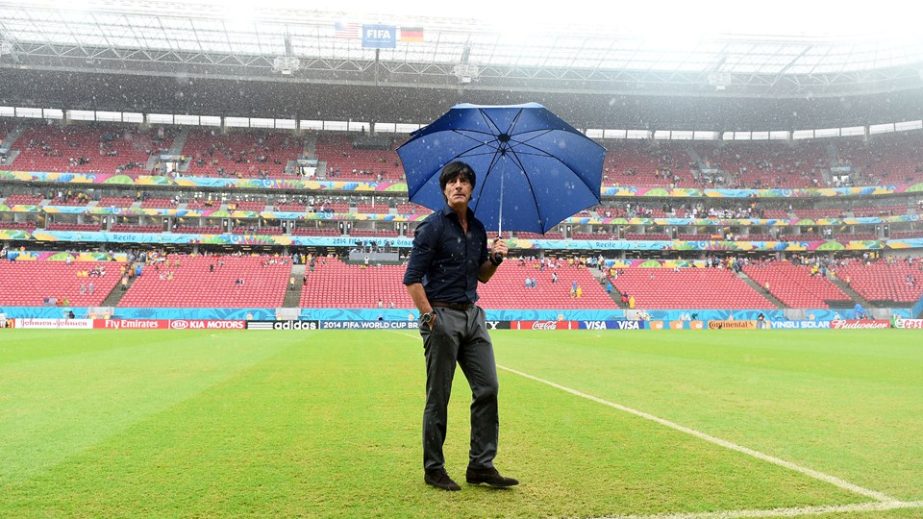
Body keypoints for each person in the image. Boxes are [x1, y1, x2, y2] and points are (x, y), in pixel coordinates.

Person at [403, 161, 517, 492]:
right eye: (452, 181)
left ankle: (481, 465)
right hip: (441, 315)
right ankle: (434, 468)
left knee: (488, 388)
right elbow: (411, 279)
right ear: (444, 189)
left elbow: (481, 275)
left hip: (472, 315)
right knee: (439, 396)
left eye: (464, 181)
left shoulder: (480, 229)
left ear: (471, 188)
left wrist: (494, 258)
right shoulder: (433, 227)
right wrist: (429, 319)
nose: (458, 185)